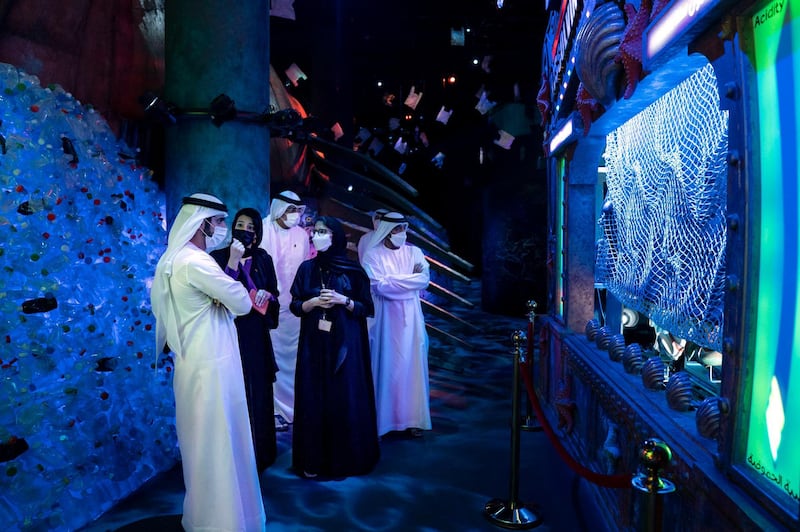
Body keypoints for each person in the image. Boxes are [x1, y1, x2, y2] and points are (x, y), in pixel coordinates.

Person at [150, 193, 266, 531]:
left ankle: (205, 517)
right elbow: (242, 302)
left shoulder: (172, 259)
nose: (221, 229)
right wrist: (232, 288)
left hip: (191, 362)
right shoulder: (196, 262)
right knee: (220, 439)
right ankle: (226, 521)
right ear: (203, 223)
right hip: (213, 363)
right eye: (218, 223)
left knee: (201, 440)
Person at [290, 216, 380, 478]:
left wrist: (344, 300)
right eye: (316, 231)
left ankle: (345, 459)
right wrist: (313, 303)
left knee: (344, 396)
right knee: (313, 395)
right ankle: (313, 459)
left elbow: (366, 308)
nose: (318, 235)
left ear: (336, 236)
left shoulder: (353, 270)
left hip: (346, 344)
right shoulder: (306, 269)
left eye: (324, 231)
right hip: (314, 344)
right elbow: (296, 305)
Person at [210, 207, 280, 473]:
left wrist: (266, 296)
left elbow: (274, 293)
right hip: (228, 331)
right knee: (231, 391)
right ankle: (233, 454)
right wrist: (233, 261)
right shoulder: (216, 257)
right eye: (240, 225)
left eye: (251, 228)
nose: (245, 231)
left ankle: (261, 452)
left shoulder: (263, 258)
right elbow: (217, 295)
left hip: (255, 333)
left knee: (258, 389)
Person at [360, 212, 432, 438]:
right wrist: (408, 281)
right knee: (387, 366)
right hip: (386, 321)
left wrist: (394, 280)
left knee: (412, 365)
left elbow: (424, 280)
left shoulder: (414, 252)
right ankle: (385, 421)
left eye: (403, 228)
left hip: (411, 320)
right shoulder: (373, 254)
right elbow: (379, 286)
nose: (402, 233)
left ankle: (414, 420)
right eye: (397, 229)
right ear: (387, 231)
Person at [259, 190, 310, 431]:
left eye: (298, 211)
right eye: (291, 210)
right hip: (268, 309)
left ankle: (296, 407)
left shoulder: (301, 234)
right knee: (272, 360)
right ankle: (274, 410)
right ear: (279, 209)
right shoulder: (263, 229)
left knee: (294, 359)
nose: (295, 216)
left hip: (294, 311)